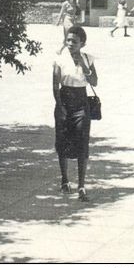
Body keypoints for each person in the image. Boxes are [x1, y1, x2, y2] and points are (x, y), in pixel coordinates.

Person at [53, 25, 97, 202]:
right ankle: (64, 179)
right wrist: (60, 105)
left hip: (81, 102)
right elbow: (55, 84)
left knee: (82, 142)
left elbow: (94, 81)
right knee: (62, 141)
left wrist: (84, 66)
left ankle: (81, 185)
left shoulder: (88, 58)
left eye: (74, 41)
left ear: (82, 44)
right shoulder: (60, 59)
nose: (70, 43)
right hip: (64, 100)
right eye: (68, 40)